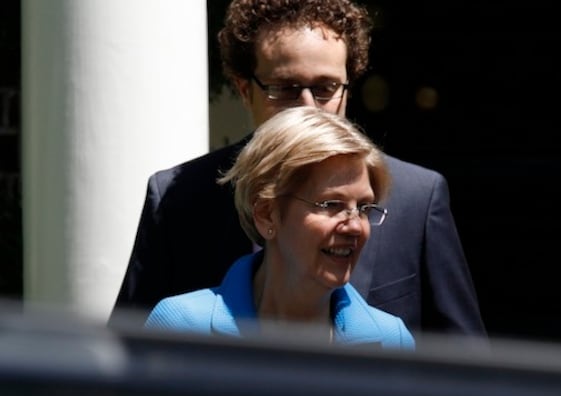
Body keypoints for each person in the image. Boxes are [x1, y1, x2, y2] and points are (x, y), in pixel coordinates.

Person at [110, 0, 486, 338]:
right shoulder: (181, 198)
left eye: (325, 89)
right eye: (285, 89)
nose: (308, 106)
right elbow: (126, 363)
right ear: (244, 90)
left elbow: (465, 368)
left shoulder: (415, 197)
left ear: (347, 89)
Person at [144, 106, 415, 349]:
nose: (355, 226)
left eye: (365, 208)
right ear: (266, 215)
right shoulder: (183, 328)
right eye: (331, 204)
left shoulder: (391, 341)